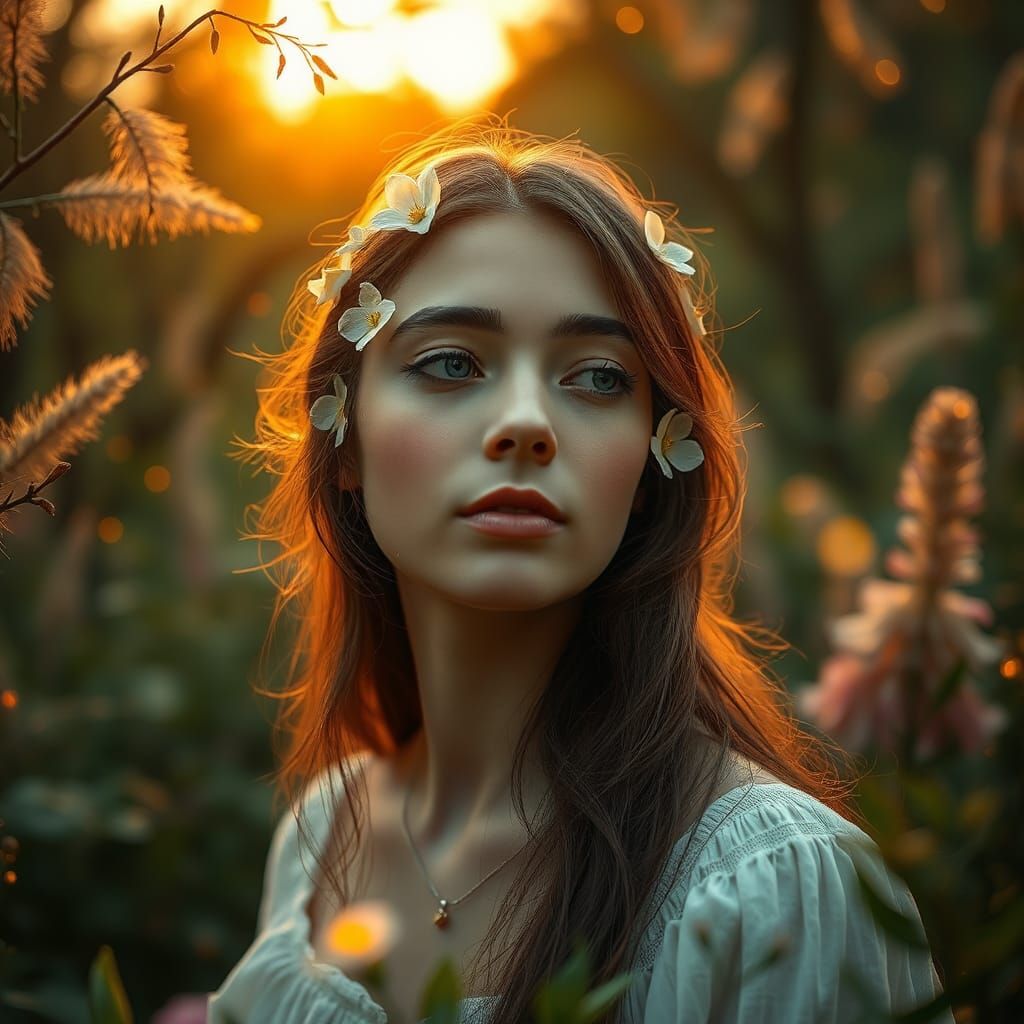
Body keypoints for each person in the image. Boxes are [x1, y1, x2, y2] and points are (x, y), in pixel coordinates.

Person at [207, 119, 953, 1024]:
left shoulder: (768, 891)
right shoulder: (320, 840)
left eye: (598, 377)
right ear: (346, 438)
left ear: (650, 463)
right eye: (451, 362)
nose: (526, 422)